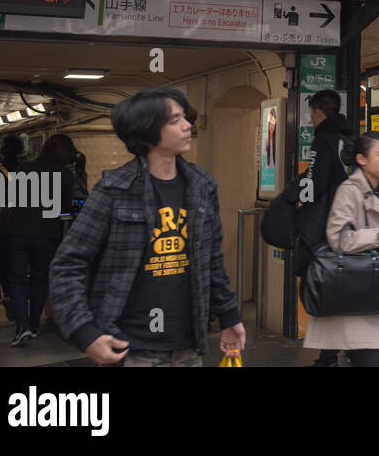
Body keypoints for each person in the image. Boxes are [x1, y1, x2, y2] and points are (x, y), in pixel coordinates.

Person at [49, 87, 244, 366]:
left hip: (189, 347)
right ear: (149, 131)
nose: (188, 126)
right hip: (130, 349)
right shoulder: (113, 190)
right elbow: (67, 263)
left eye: (184, 118)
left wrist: (229, 316)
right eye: (175, 120)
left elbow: (212, 260)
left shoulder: (203, 186)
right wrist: (84, 332)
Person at [301, 132, 379, 366]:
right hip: (354, 289)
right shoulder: (349, 190)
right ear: (362, 159)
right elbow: (339, 239)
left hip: (369, 290)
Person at [295, 88, 355, 367]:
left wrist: (296, 196)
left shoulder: (323, 141)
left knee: (322, 291)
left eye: (311, 114)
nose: (311, 119)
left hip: (330, 228)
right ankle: (333, 354)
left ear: (318, 113)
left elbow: (315, 185)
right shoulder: (352, 140)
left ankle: (335, 355)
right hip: (353, 227)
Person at [1, 133, 75, 345]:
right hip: (46, 234)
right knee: (39, 278)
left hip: (17, 231)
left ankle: (21, 326)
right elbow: (65, 211)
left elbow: (12, 199)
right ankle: (34, 326)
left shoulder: (24, 169)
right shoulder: (65, 174)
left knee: (16, 279)